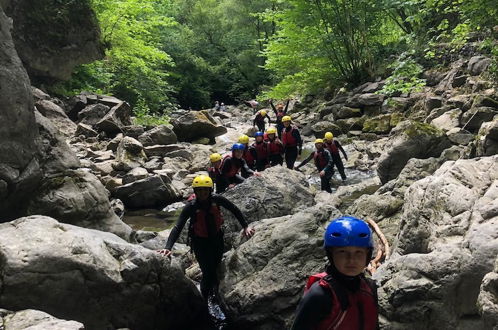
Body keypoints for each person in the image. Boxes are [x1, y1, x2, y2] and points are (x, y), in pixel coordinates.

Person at [158, 175, 255, 300]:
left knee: (216, 267)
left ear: (210, 190)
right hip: (200, 243)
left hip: (217, 239)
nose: (202, 193)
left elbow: (234, 209)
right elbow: (178, 226)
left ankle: (215, 294)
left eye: (205, 190)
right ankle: (204, 299)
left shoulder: (217, 199)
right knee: (207, 271)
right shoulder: (191, 206)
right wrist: (168, 247)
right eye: (199, 190)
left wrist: (245, 227)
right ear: (195, 191)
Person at [291, 216, 378, 330]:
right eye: (342, 252)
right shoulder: (320, 294)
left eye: (358, 252)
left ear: (367, 254)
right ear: (331, 254)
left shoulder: (370, 288)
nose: (351, 260)